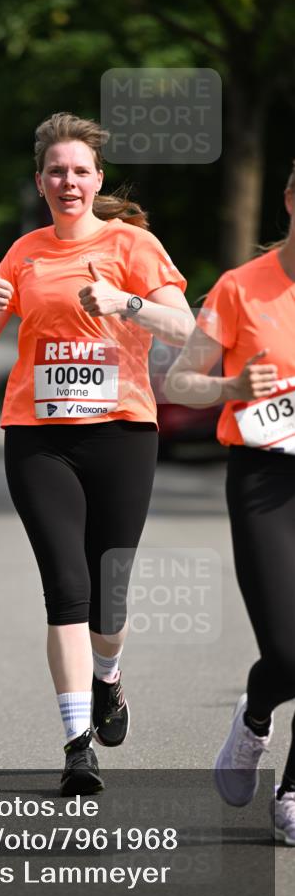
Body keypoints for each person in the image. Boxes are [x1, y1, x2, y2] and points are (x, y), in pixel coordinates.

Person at [0, 112, 194, 794]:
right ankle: (75, 744)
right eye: (56, 171)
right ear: (40, 181)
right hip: (38, 435)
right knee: (66, 587)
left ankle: (108, 678)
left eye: (80, 171)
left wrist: (126, 303)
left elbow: (186, 327)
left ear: (95, 181)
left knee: (107, 598)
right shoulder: (23, 251)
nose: (68, 181)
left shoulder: (133, 245)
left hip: (121, 432)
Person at [164, 163, 295, 846]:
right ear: (290, 200)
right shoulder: (240, 288)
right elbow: (181, 380)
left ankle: (293, 790)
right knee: (286, 647)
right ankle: (252, 721)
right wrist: (234, 384)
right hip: (263, 476)